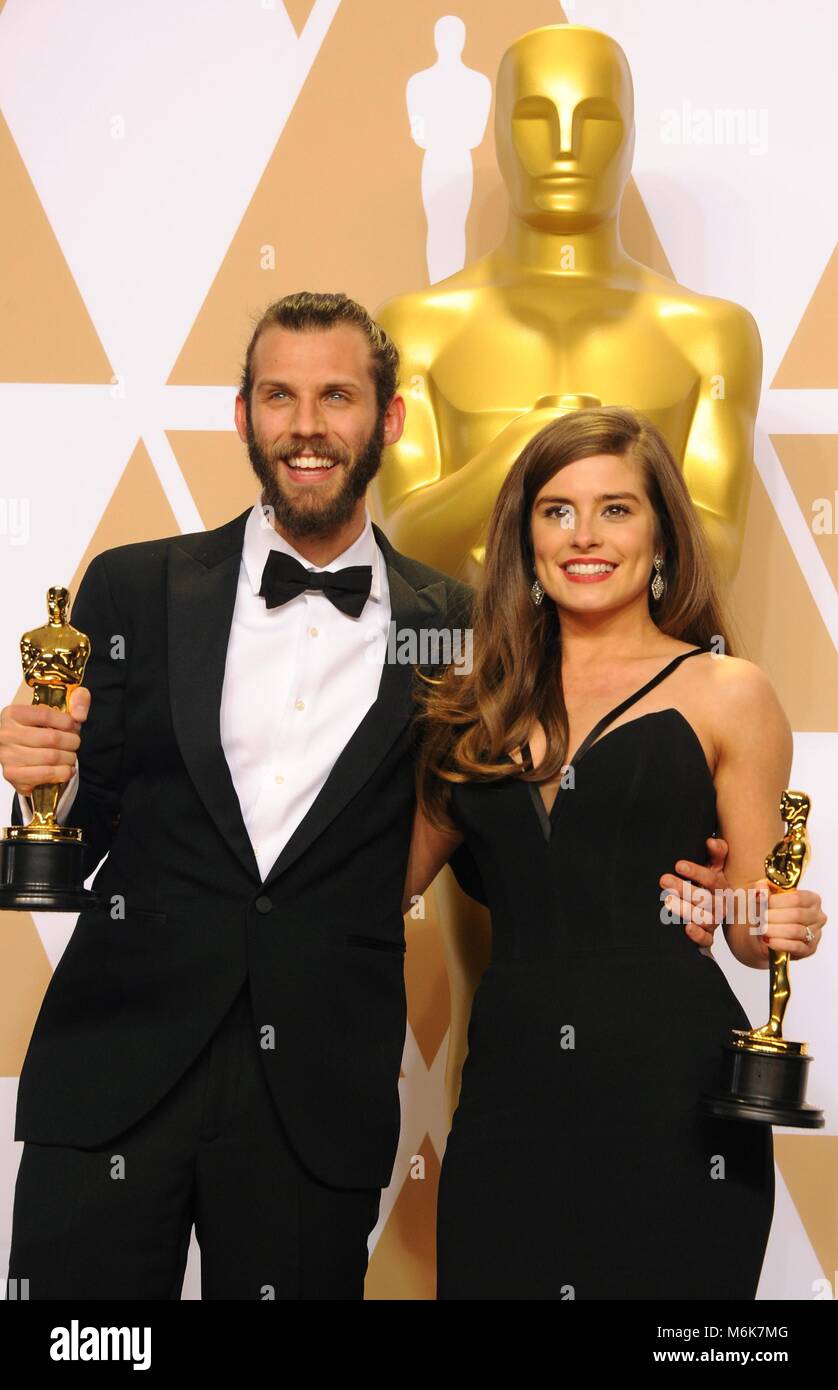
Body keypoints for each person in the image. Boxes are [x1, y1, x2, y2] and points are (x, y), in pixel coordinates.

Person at [0, 291, 476, 1300]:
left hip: (315, 1095)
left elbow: (489, 825)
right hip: (115, 1066)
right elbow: (79, 826)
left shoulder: (456, 627)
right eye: (279, 396)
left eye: (336, 395)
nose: (306, 425)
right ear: (243, 415)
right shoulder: (135, 587)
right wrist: (47, 770)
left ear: (386, 420)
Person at [402, 405, 827, 1300]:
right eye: (557, 511)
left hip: (674, 1102)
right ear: (525, 540)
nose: (585, 536)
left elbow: (748, 921)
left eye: (616, 509)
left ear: (662, 532)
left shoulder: (728, 691)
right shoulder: (468, 704)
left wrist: (772, 913)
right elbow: (378, 885)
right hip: (509, 1101)